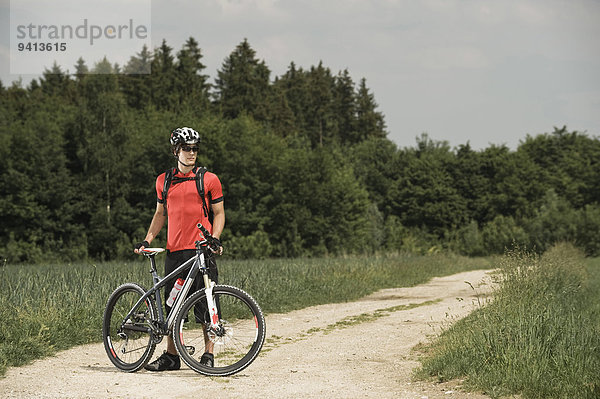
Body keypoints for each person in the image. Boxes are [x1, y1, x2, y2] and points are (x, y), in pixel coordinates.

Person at [134, 126, 225, 371]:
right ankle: (171, 356)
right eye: (187, 149)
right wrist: (148, 240)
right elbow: (159, 214)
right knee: (173, 306)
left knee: (207, 304)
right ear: (176, 151)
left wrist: (214, 238)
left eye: (195, 149)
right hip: (175, 252)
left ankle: (208, 355)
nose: (192, 153)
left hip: (201, 252)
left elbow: (219, 213)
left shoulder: (209, 179)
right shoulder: (163, 181)